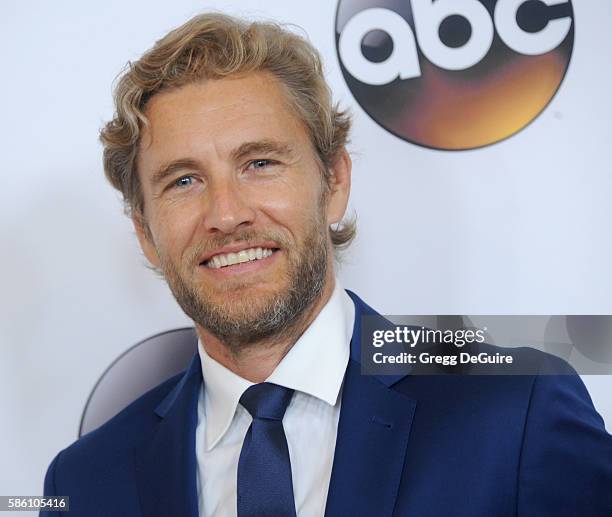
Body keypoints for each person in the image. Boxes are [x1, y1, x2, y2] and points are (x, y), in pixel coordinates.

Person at [42, 12, 612, 517]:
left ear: (334, 182)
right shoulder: (87, 483)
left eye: (259, 162)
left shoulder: (515, 410)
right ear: (145, 233)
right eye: (184, 181)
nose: (226, 214)